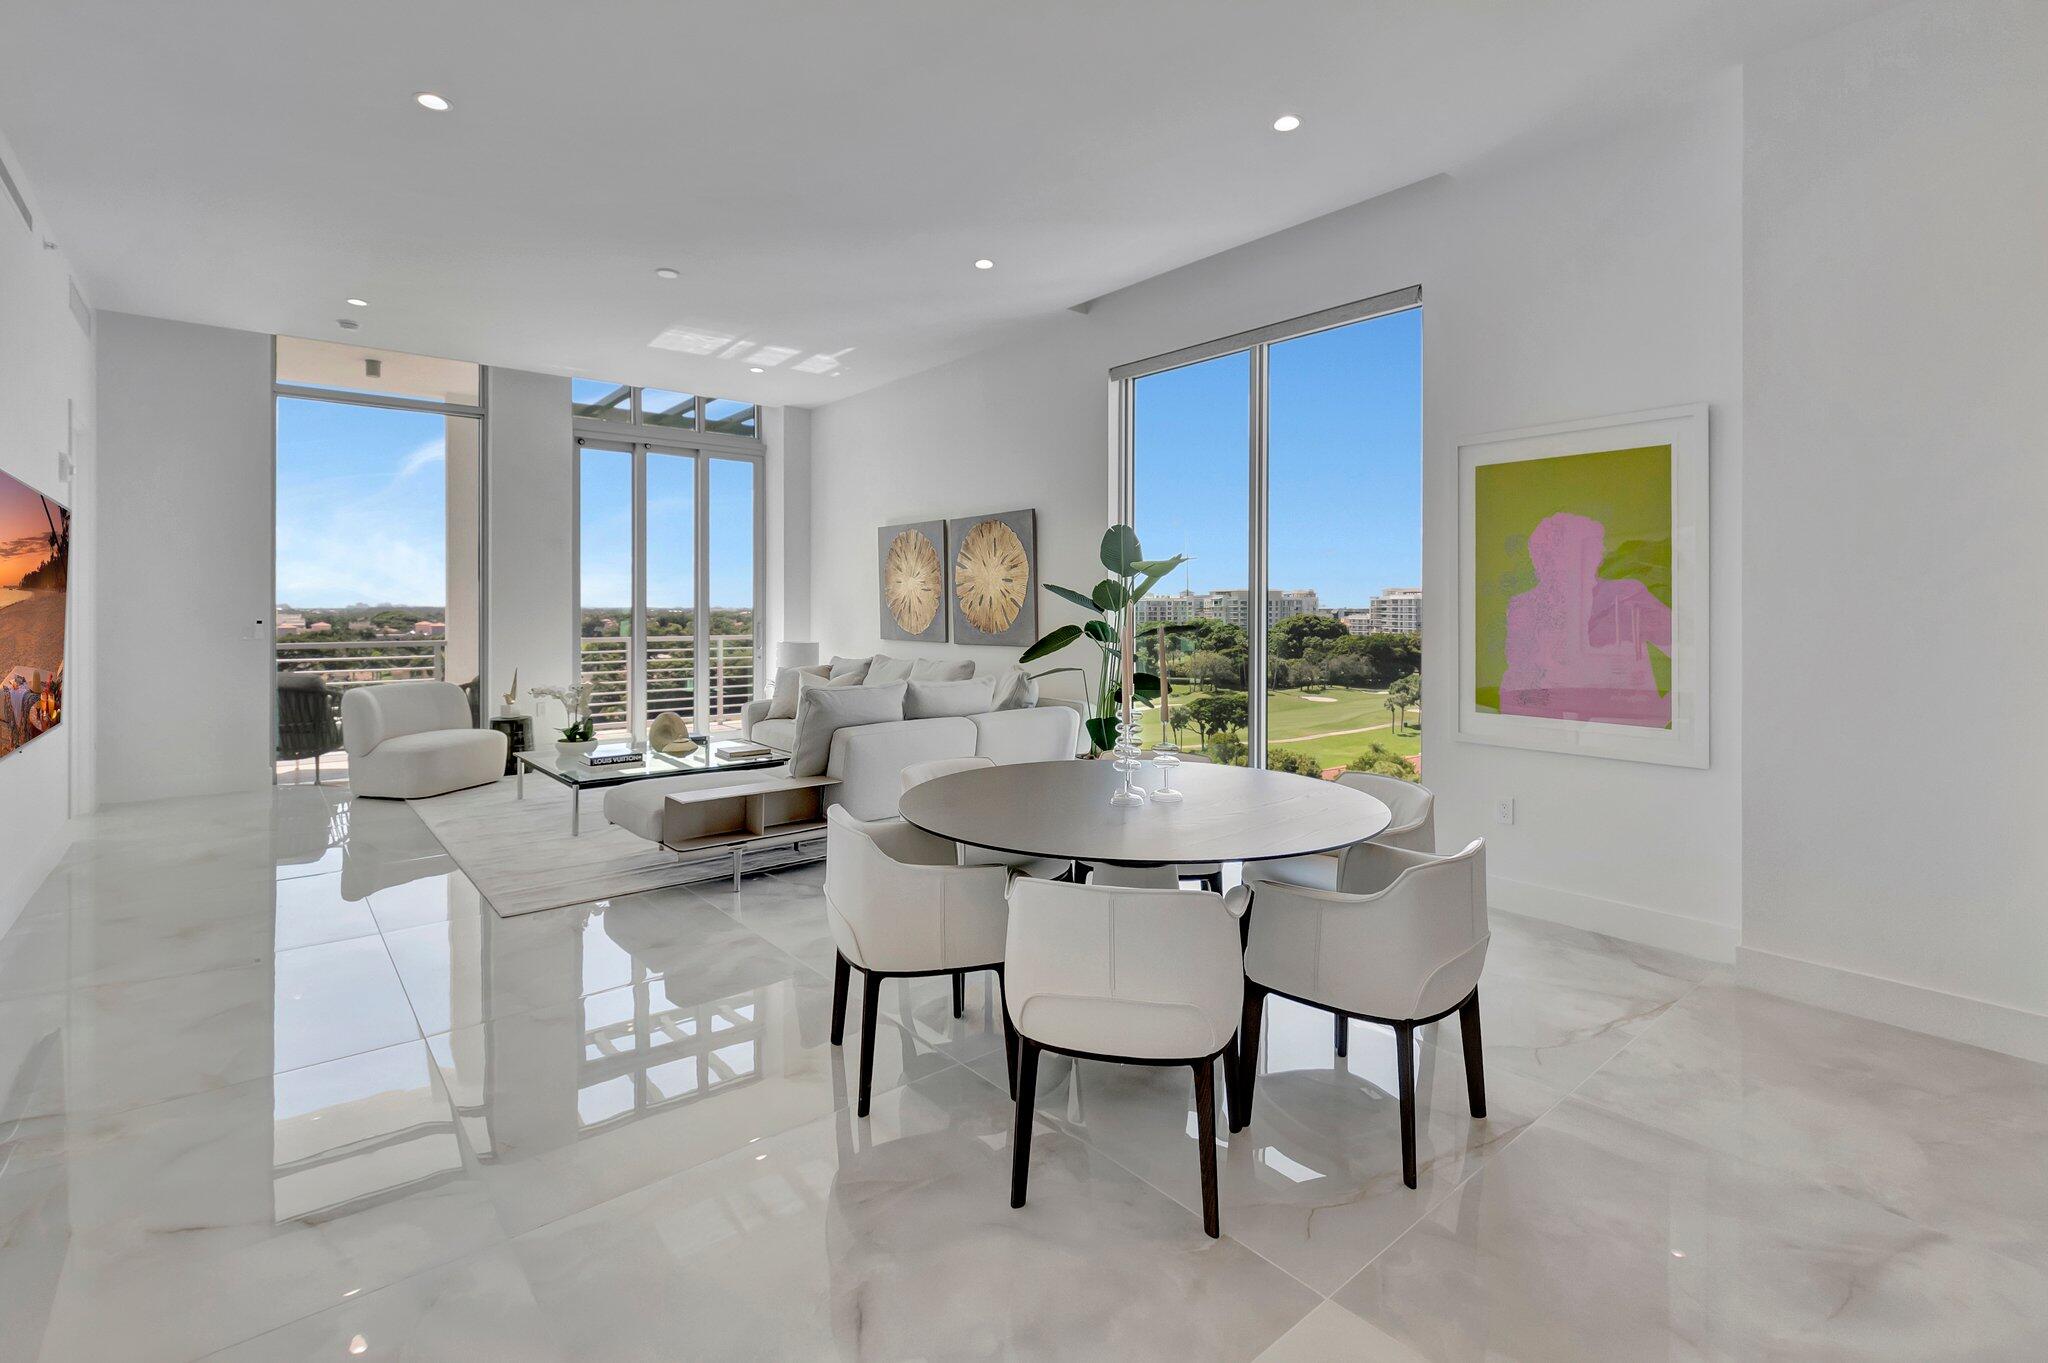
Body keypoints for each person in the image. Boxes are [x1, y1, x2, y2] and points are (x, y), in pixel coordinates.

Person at [1499, 512, 1672, 727]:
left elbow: (1686, 650)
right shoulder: (1524, 607)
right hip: (1548, 732)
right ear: (1552, 558)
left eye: (1597, 546)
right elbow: (1516, 687)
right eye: (1591, 547)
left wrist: (1667, 711)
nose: (1602, 552)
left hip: (1623, 728)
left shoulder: (1627, 595)